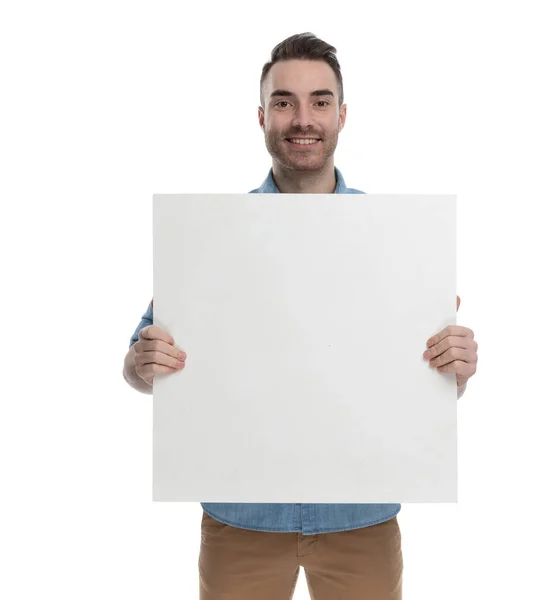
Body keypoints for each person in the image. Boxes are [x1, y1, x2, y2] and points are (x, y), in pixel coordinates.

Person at [122, 32, 479, 600]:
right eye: (284, 102)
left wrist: (453, 369)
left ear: (342, 115)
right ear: (262, 116)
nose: (302, 118)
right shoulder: (213, 236)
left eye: (319, 101)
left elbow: (422, 386)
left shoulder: (396, 239)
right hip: (242, 516)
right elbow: (140, 361)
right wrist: (142, 363)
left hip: (359, 517)